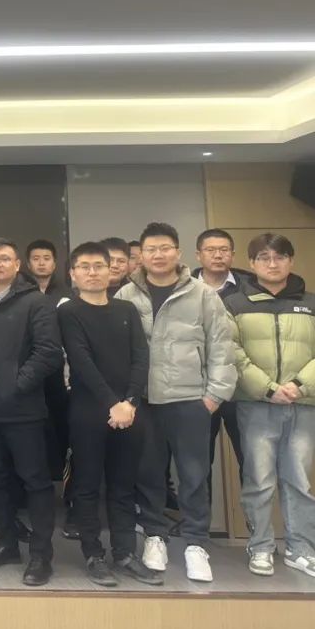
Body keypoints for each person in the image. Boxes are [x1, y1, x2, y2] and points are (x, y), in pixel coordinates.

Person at [116, 222, 236, 583]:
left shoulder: (202, 294)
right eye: (151, 249)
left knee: (194, 475)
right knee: (148, 473)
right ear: (141, 255)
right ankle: (155, 536)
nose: (158, 255)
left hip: (190, 401)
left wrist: (213, 396)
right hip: (144, 401)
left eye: (165, 248)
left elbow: (222, 346)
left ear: (178, 252)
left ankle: (196, 543)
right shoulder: (126, 294)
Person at [59, 242, 161, 587]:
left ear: (111, 270)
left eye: (99, 266)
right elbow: (81, 361)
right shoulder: (69, 312)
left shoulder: (126, 309)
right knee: (87, 485)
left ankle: (125, 553)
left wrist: (129, 401)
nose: (92, 272)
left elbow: (141, 358)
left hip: (130, 412)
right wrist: (111, 403)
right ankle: (93, 554)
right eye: (84, 267)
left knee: (123, 486)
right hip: (88, 411)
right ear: (73, 274)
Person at [0, 237, 63, 587]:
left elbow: (49, 352)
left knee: (35, 482)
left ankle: (41, 555)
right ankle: (6, 544)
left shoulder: (36, 301)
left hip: (23, 411)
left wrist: (16, 385)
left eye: (4, 258)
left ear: (17, 265)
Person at [225, 233, 315, 578]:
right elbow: (232, 352)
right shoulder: (235, 303)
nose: (272, 264)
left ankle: (300, 548)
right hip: (256, 403)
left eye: (280, 257)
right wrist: (268, 388)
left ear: (291, 260)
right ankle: (260, 546)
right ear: (252, 263)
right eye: (264, 258)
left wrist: (299, 385)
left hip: (303, 403)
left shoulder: (310, 302)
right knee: (259, 480)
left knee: (299, 480)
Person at [192, 228, 250, 509]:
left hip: (242, 386)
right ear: (198, 255)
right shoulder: (184, 286)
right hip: (198, 387)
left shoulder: (250, 287)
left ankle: (255, 524)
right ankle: (198, 526)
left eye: (224, 250)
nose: (218, 255)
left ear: (233, 254)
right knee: (198, 461)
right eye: (211, 250)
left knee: (251, 460)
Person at [24, 239, 74, 536]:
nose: (41, 262)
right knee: (33, 439)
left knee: (66, 437)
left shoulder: (67, 295)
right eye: (36, 258)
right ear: (27, 263)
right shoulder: (21, 293)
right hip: (30, 377)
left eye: (47, 258)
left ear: (55, 263)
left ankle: (70, 499)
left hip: (62, 378)